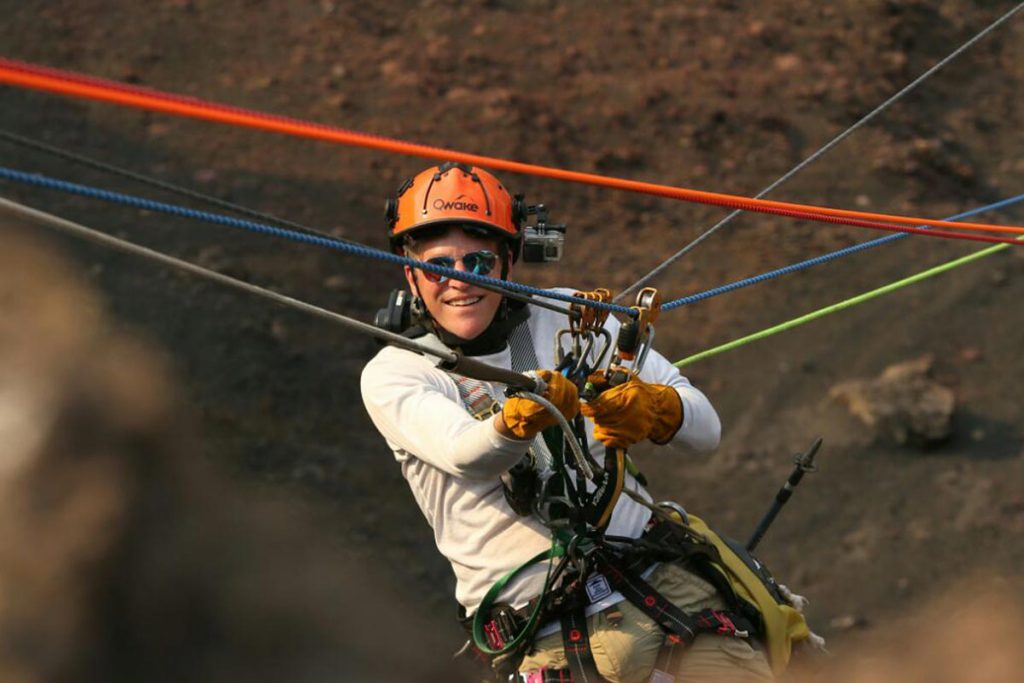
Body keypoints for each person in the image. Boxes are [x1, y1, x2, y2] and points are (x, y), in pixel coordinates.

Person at [360, 162, 774, 682]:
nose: (460, 281)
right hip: (544, 629)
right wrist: (519, 419)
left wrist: (655, 406)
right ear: (411, 274)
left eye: (479, 262)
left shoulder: (574, 319)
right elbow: (466, 454)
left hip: (659, 584)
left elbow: (706, 430)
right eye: (438, 266)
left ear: (509, 261)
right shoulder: (397, 371)